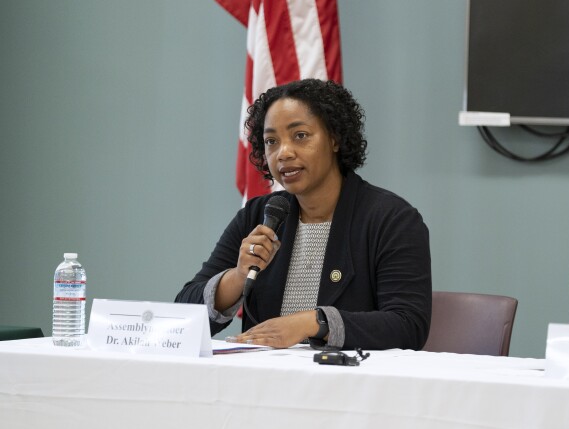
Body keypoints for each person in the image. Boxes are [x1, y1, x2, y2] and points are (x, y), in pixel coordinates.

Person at [176, 79, 432, 350]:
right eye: (271, 141)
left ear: (334, 138)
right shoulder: (258, 215)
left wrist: (314, 322)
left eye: (300, 135)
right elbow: (184, 317)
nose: (283, 153)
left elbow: (408, 325)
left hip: (349, 383)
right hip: (261, 383)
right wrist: (238, 276)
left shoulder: (390, 219)